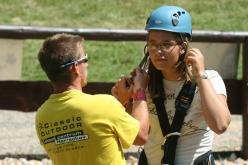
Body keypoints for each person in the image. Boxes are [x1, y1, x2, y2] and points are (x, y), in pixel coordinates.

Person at [112, 6, 231, 165]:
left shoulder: (209, 79)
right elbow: (134, 137)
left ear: (183, 47)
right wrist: (124, 101)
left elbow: (220, 125)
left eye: (166, 44)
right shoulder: (143, 83)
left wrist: (200, 75)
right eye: (152, 44)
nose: (157, 51)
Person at [35, 33, 149, 165]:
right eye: (85, 58)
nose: (87, 64)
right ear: (75, 67)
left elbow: (90, 135)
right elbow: (141, 136)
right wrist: (139, 91)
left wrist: (120, 103)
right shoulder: (104, 105)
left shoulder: (42, 116)